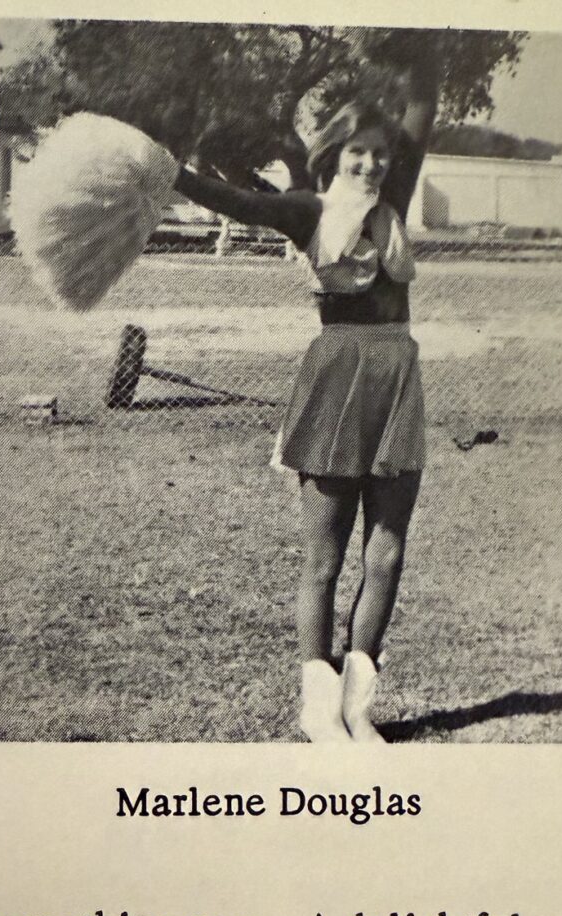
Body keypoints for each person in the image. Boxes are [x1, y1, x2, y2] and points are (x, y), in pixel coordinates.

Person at [174, 63, 438, 743]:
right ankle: (318, 711)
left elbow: (423, 102)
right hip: (335, 374)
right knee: (322, 561)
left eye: (382, 153)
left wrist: (420, 48)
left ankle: (358, 707)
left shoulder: (394, 200)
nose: (373, 163)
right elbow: (240, 204)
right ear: (335, 154)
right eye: (359, 152)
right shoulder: (309, 209)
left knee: (386, 553)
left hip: (395, 374)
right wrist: (166, 173)